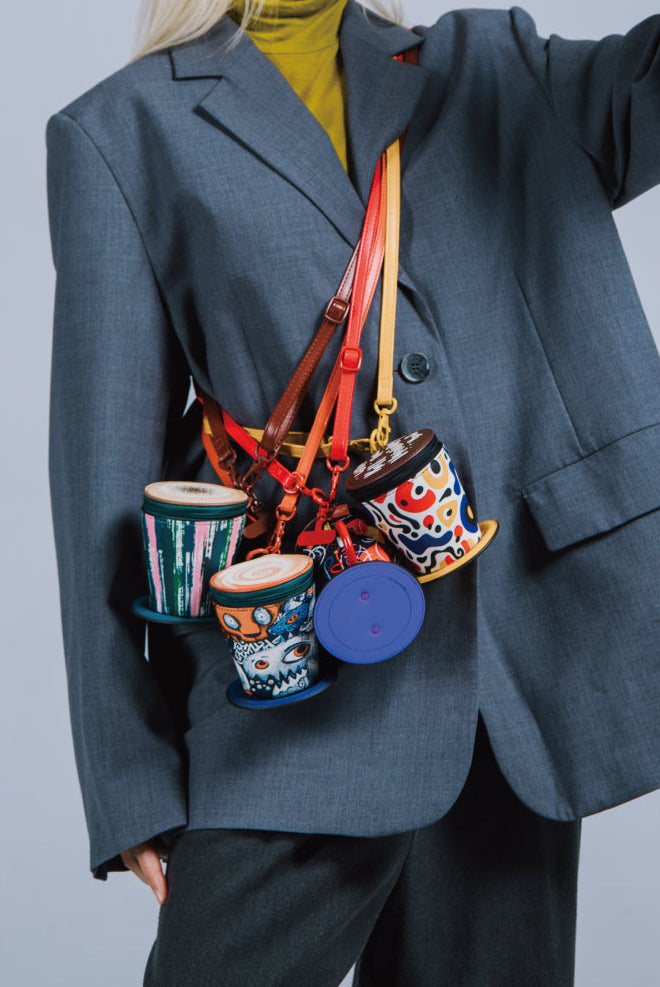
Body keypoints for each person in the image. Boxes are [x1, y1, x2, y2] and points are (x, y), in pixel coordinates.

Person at [46, 0, 660, 983]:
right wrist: (130, 776)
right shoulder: (121, 130)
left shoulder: (493, 61)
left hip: (513, 687)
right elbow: (104, 482)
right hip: (287, 690)